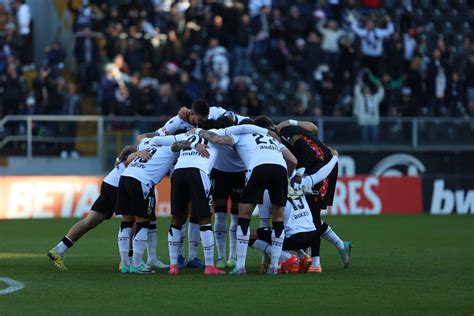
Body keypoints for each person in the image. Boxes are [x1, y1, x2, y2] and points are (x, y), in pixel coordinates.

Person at [197, 123, 298, 274]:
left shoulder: (240, 134)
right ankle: (274, 267)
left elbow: (218, 140)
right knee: (278, 219)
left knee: (243, 216)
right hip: (280, 169)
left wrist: (199, 131)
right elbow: (293, 161)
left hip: (259, 167)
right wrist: (287, 178)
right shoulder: (272, 139)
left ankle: (241, 266)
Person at [254, 116, 352, 271]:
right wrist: (293, 122)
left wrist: (299, 174)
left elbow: (308, 153)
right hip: (316, 169)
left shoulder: (284, 131)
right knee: (306, 215)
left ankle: (316, 263)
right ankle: (331, 249)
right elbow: (313, 129)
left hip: (321, 168)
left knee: (312, 217)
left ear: (269, 130)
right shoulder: (285, 131)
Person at [47, 145, 147, 270]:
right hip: (120, 185)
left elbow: (128, 149)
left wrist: (121, 157)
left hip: (109, 181)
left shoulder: (147, 142)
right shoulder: (154, 146)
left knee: (91, 220)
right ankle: (127, 260)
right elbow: (130, 157)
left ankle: (59, 249)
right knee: (132, 220)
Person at [149, 120, 225, 275]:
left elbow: (170, 145)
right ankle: (210, 266)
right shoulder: (215, 136)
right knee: (204, 219)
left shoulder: (187, 136)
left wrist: (191, 142)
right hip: (198, 172)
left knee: (177, 218)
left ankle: (173, 266)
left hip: (178, 172)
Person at [115, 137, 182, 274]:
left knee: (126, 222)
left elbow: (140, 139)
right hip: (141, 181)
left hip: (124, 177)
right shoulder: (171, 149)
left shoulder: (150, 145)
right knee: (143, 222)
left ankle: (125, 264)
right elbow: (177, 146)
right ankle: (137, 264)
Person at [353, 71, 385, 144]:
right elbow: (356, 91)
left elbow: (381, 93)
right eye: (365, 89)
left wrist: (379, 84)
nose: (367, 90)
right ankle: (365, 150)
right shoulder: (361, 98)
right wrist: (358, 84)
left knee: (375, 137)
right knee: (365, 138)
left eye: (368, 89)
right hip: (364, 121)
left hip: (374, 120)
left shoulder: (374, 98)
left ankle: (375, 150)